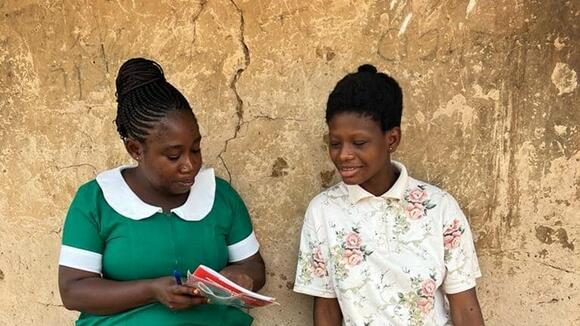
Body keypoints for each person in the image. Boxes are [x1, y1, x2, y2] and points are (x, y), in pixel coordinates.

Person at [58, 58, 265, 326]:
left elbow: (255, 268)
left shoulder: (220, 196)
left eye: (196, 149)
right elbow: (73, 291)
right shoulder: (96, 200)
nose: (189, 165)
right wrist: (152, 291)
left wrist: (241, 278)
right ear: (136, 150)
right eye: (173, 155)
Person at [293, 64, 484, 325]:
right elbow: (326, 310)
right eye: (335, 143)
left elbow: (465, 309)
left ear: (392, 139)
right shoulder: (324, 211)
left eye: (359, 143)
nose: (343, 154)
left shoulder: (439, 208)